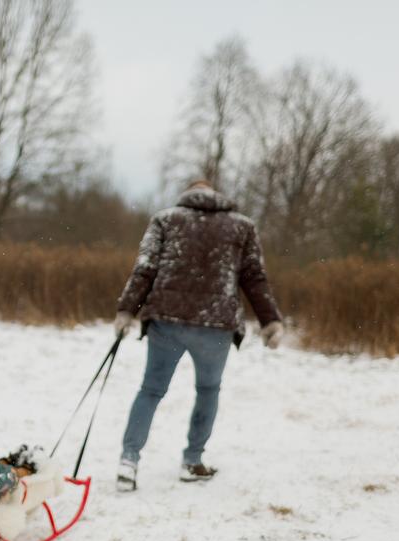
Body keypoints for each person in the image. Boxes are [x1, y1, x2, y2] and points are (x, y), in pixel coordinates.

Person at [113, 180, 283, 491]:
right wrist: (269, 320)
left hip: (167, 320)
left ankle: (129, 461)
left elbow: (145, 269)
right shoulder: (241, 226)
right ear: (216, 195)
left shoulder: (165, 219)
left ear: (188, 195)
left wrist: (127, 311)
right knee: (207, 390)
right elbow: (253, 276)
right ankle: (192, 461)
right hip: (215, 325)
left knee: (151, 390)